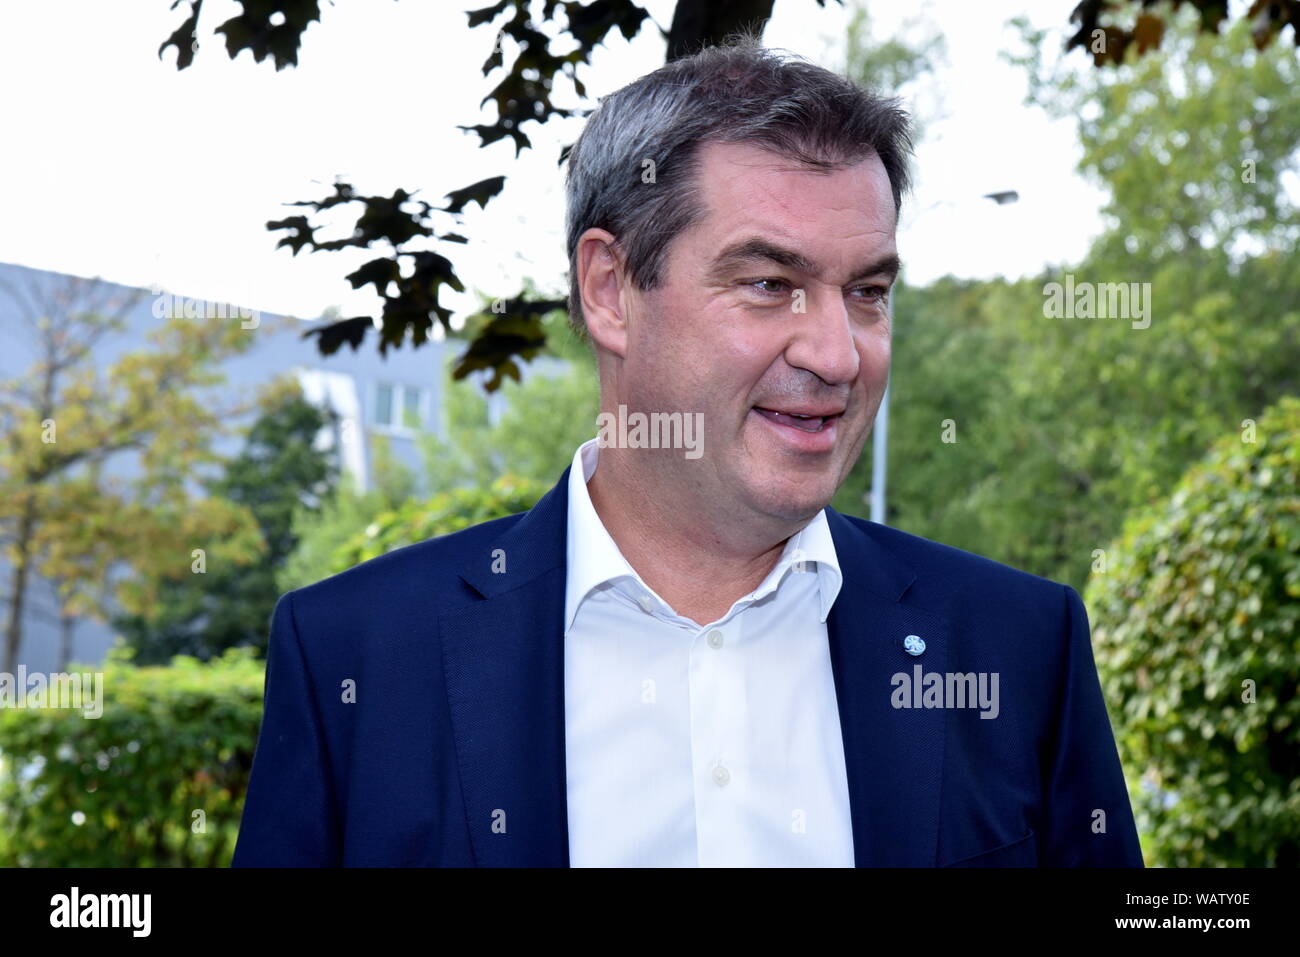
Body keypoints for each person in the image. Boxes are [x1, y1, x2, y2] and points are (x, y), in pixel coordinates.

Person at [233, 38, 1143, 868]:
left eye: (866, 292)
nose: (836, 353)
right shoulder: (355, 656)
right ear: (610, 291)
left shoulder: (1018, 647)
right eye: (768, 283)